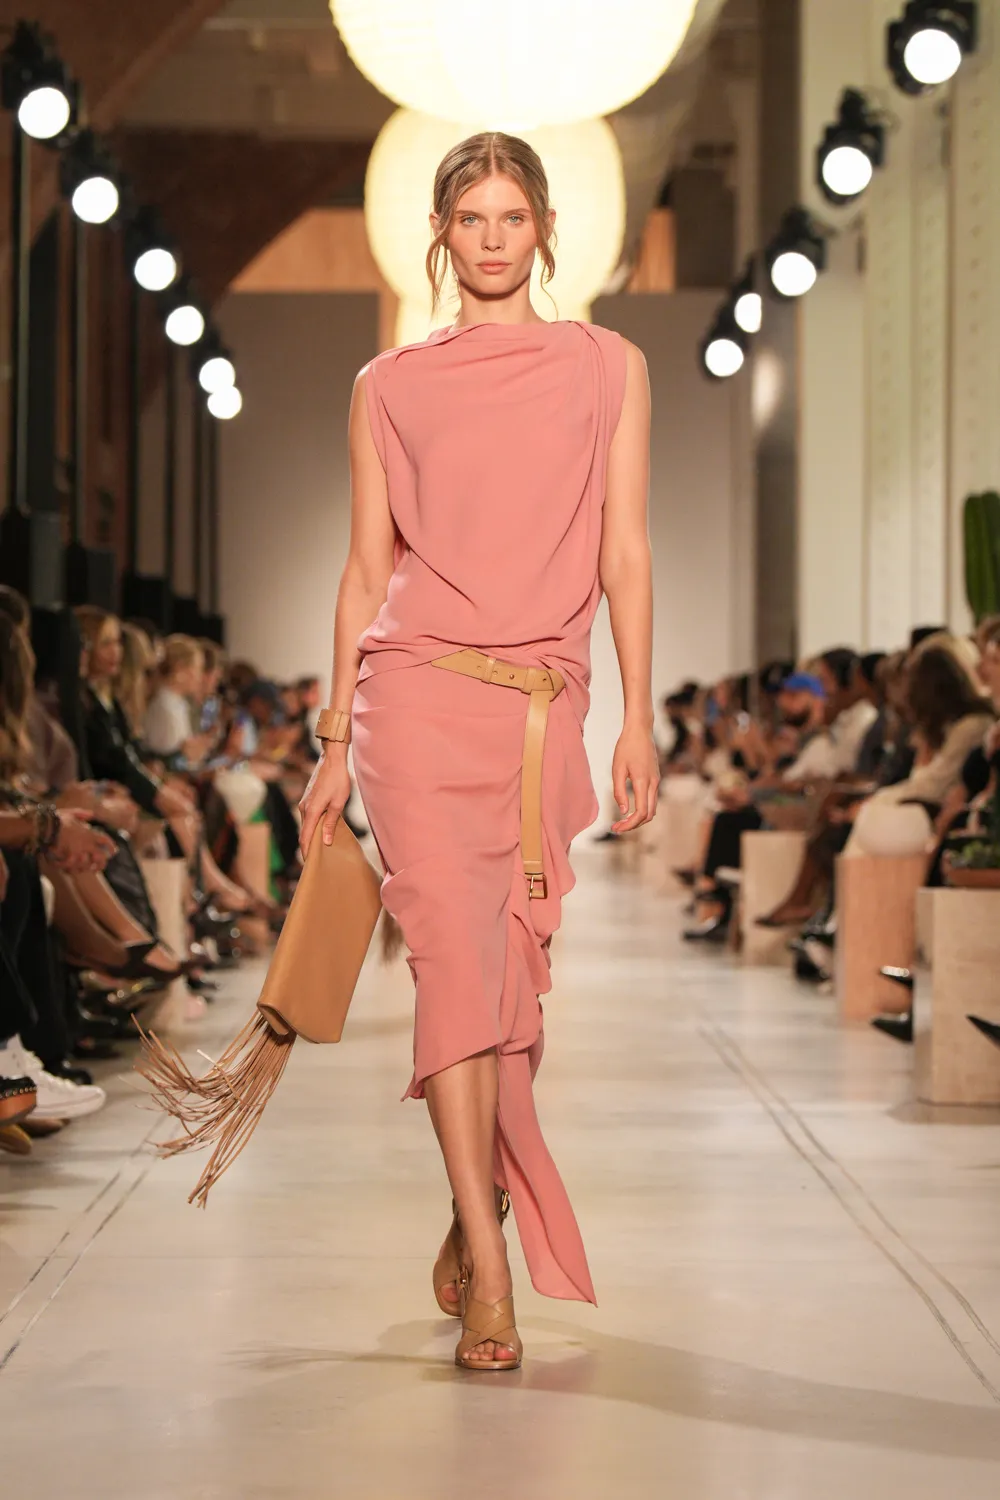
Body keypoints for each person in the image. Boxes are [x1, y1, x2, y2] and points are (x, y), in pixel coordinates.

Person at [298, 132, 656, 1372]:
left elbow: (623, 551)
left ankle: (475, 1197)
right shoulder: (387, 384)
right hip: (411, 702)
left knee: (506, 984)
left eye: (512, 217)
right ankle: (491, 1276)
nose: (493, 239)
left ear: (545, 227)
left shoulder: (607, 367)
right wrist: (333, 738)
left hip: (539, 712)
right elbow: (365, 572)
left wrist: (639, 714)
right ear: (440, 234)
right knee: (454, 963)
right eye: (471, 218)